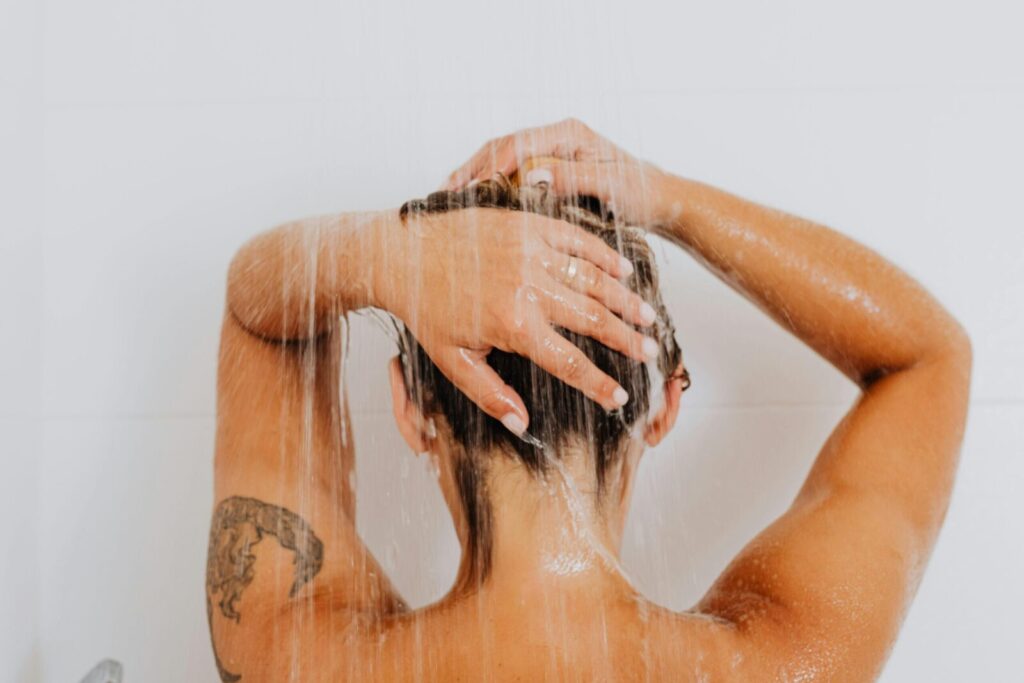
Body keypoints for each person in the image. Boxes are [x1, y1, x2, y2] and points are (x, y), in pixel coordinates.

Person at [206, 118, 971, 681]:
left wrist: (388, 253)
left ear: (409, 408)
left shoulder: (303, 658)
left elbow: (257, 311)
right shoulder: (778, 662)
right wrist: (668, 198)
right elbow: (925, 358)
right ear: (664, 405)